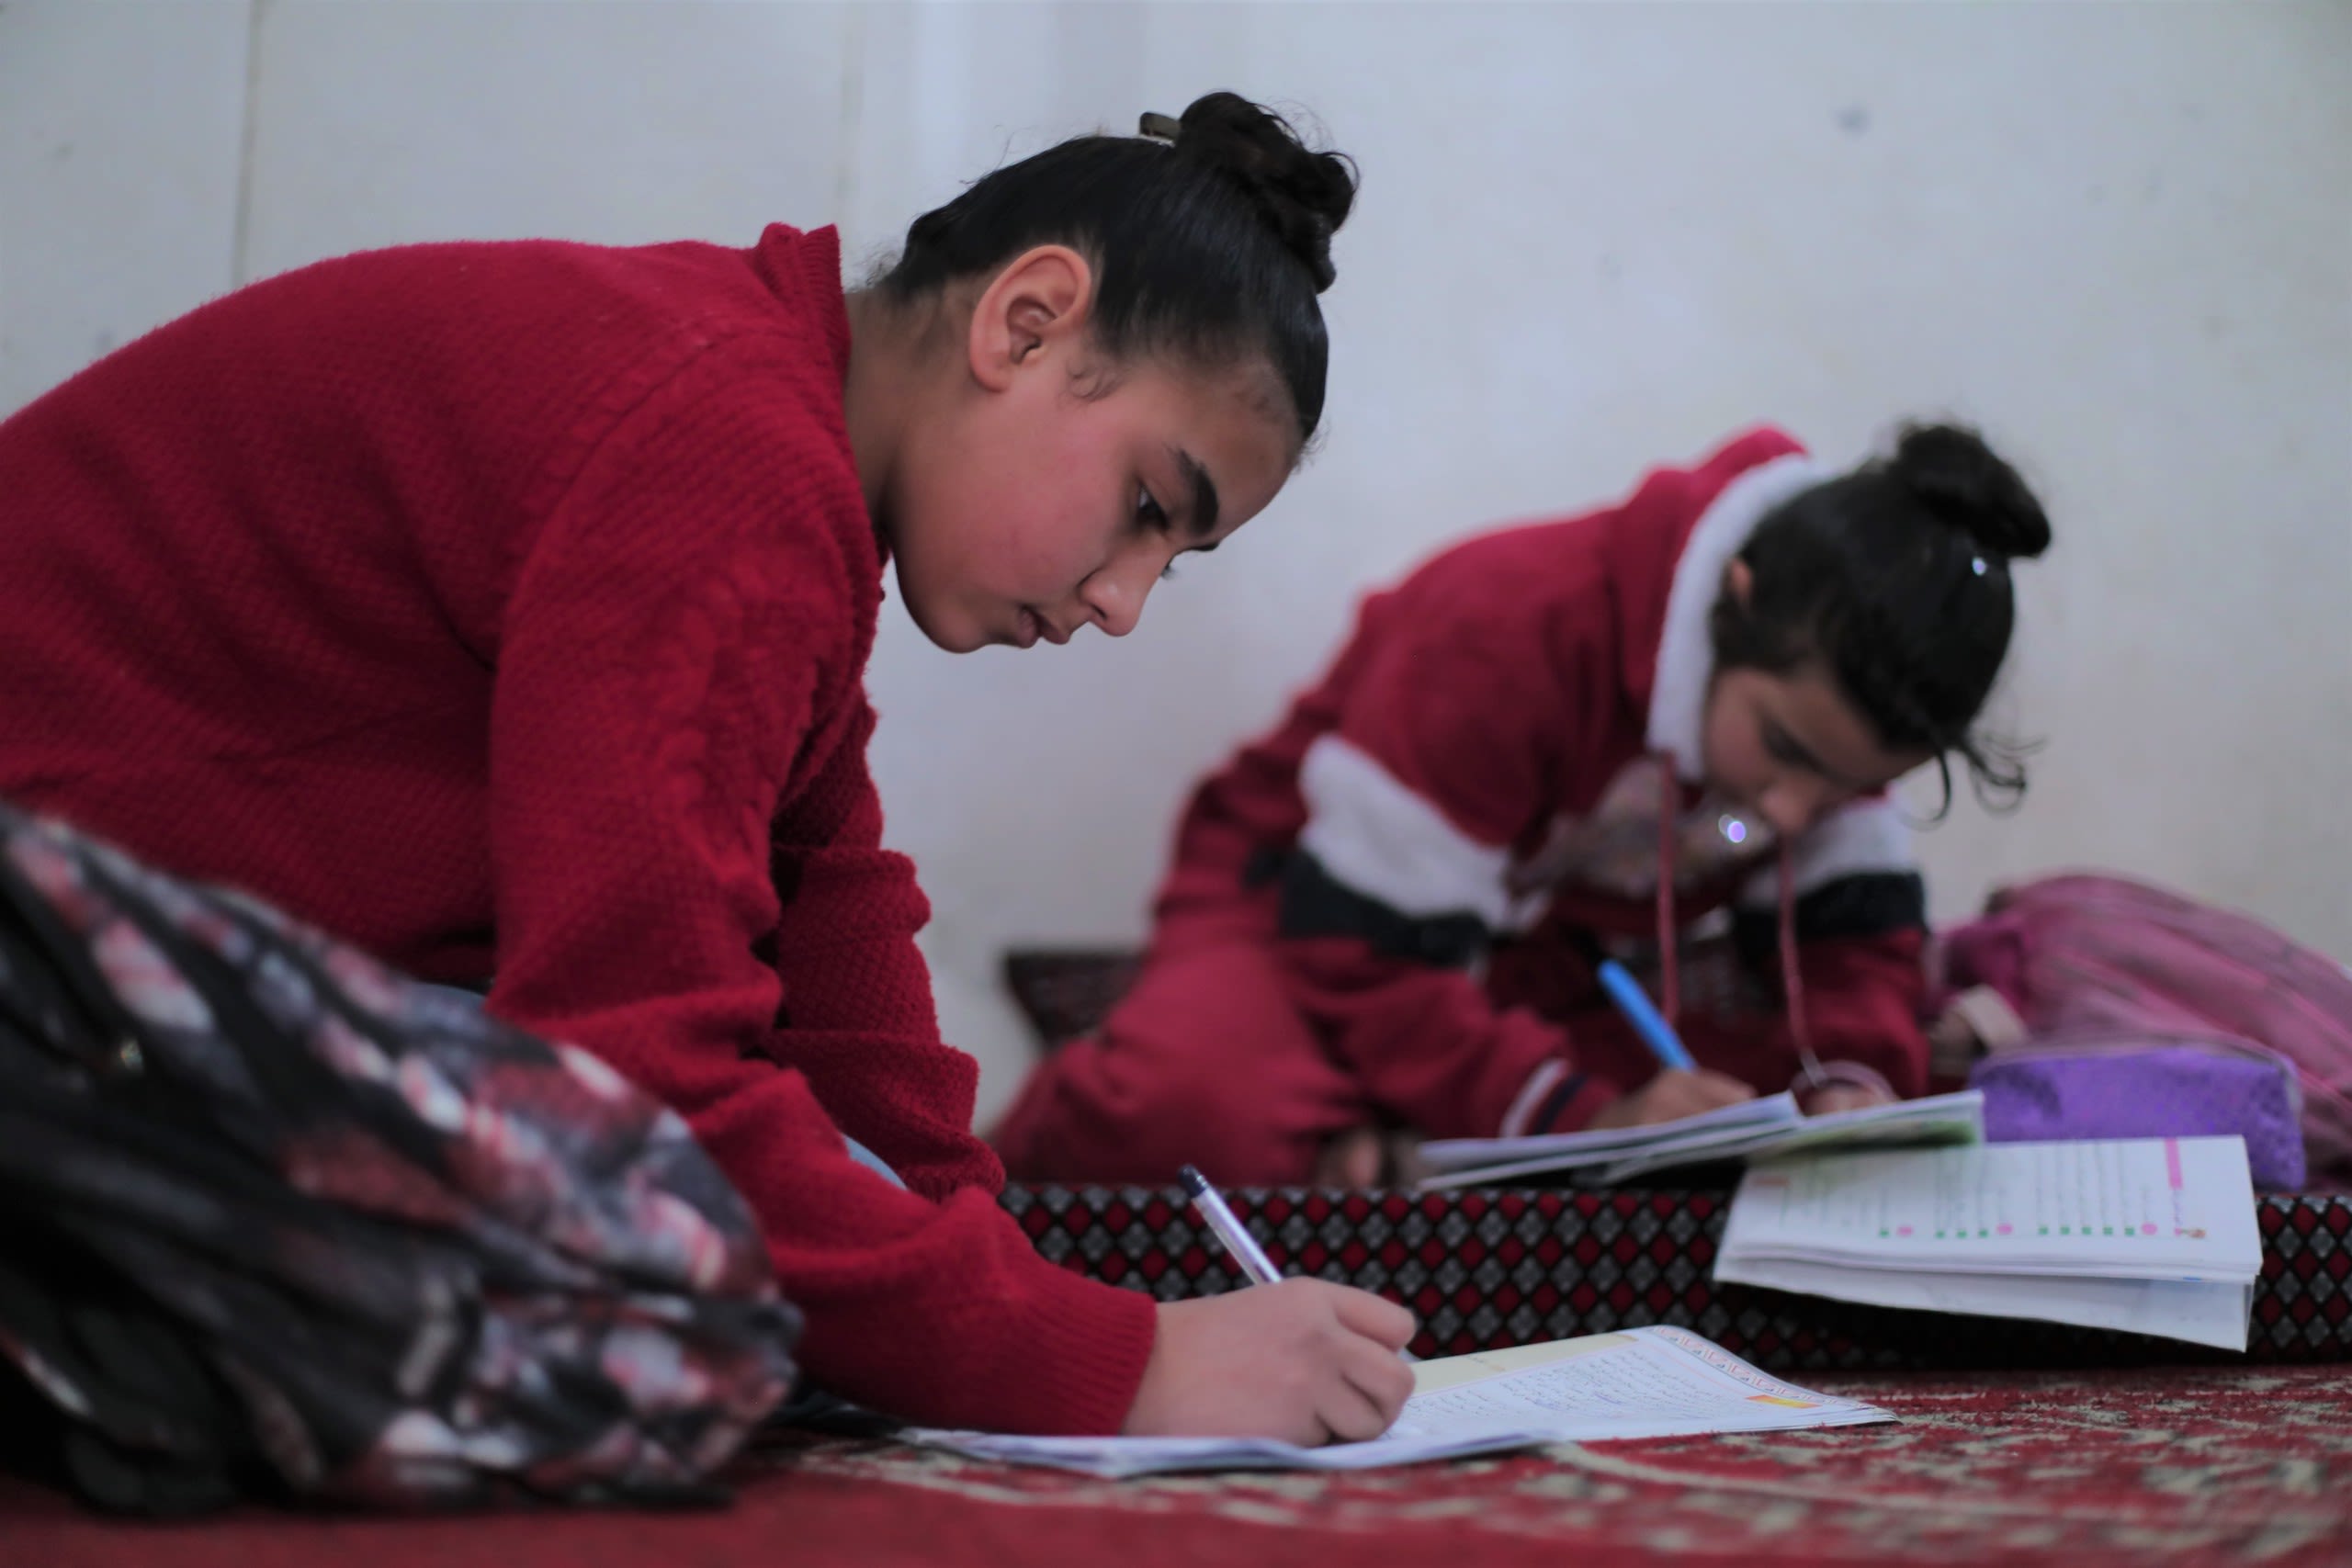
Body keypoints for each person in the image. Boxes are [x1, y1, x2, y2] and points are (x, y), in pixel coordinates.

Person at [0, 92, 1418, 1444]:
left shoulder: (765, 431)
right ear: (1027, 323)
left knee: (791, 1258)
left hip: (103, 970)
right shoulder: (725, 452)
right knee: (674, 1306)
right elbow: (634, 1066)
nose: (1124, 599)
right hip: (41, 965)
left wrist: (1029, 1304)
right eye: (1149, 507)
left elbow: (833, 935)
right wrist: (1121, 1366)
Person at [993, 423, 2053, 1188]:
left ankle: (1402, 1131)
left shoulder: (1825, 721)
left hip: (1531, 963)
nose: (1791, 812)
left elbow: (1851, 952)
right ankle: (986, 1173)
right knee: (1199, 1109)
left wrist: (1851, 1087)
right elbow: (1360, 958)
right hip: (1306, 918)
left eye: (1846, 785)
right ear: (1731, 608)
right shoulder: (1504, 632)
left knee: (1778, 1120)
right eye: (1782, 754)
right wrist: (1579, 1118)